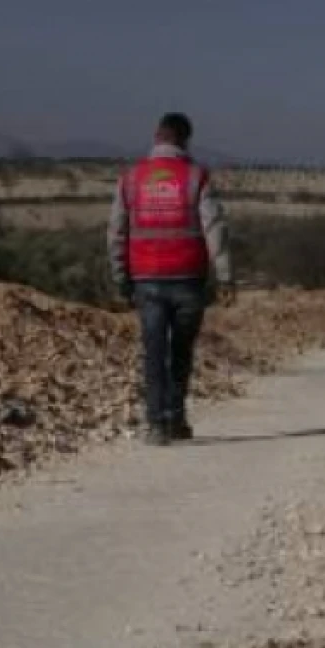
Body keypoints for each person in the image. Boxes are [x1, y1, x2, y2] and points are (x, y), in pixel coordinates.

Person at [108, 112, 234, 446]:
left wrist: (120, 277)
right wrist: (225, 276)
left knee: (153, 350)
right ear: (185, 140)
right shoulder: (196, 177)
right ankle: (175, 417)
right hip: (188, 278)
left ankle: (155, 424)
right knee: (180, 350)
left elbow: (116, 232)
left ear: (157, 137)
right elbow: (214, 228)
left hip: (145, 278)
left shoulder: (131, 178)